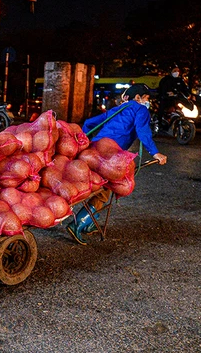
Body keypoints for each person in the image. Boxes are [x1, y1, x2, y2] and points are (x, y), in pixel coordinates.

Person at [66, 84, 167, 245]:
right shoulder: (140, 110)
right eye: (146, 98)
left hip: (93, 151)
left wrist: (83, 142)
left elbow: (89, 122)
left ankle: (90, 221)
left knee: (99, 186)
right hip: (109, 156)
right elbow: (143, 132)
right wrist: (155, 153)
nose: (148, 102)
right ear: (138, 98)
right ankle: (78, 224)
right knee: (107, 188)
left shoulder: (117, 109)